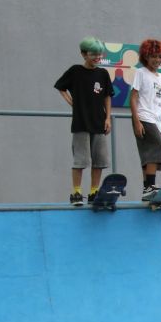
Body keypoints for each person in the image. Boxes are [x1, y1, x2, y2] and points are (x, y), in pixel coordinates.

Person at [54, 37, 114, 206]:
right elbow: (60, 86)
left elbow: (107, 96)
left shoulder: (103, 73)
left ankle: (94, 191)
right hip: (81, 123)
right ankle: (76, 192)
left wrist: (108, 118)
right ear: (84, 54)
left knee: (99, 160)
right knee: (80, 161)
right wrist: (71, 102)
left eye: (99, 54)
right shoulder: (75, 71)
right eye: (93, 54)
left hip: (99, 123)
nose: (97, 57)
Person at [129, 39, 161, 200]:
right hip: (144, 117)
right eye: (154, 56)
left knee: (148, 155)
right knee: (158, 148)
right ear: (146, 56)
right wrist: (136, 121)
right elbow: (133, 97)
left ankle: (146, 190)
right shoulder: (141, 73)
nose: (157, 60)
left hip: (157, 121)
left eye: (160, 57)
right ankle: (150, 187)